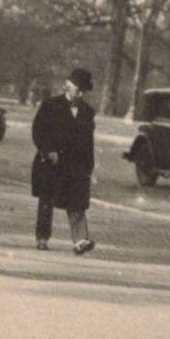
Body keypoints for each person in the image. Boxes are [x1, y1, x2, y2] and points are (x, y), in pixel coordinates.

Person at [30, 67, 98, 254]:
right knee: (46, 202)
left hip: (76, 164)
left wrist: (89, 166)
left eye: (84, 90)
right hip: (51, 162)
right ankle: (42, 237)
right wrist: (48, 151)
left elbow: (88, 141)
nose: (82, 93)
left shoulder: (87, 112)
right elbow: (38, 131)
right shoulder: (50, 105)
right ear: (69, 87)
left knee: (78, 202)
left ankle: (80, 241)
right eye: (79, 88)